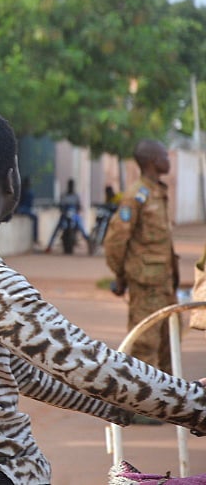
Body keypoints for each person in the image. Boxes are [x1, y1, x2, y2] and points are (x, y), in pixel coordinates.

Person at [0, 105, 206, 485]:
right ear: (11, 180)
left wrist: (119, 407)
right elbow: (87, 362)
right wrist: (197, 406)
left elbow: (19, 371)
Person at [103, 139, 178, 378]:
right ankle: (144, 406)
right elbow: (116, 240)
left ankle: (169, 399)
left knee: (168, 341)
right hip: (145, 284)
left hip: (164, 282)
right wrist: (120, 274)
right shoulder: (136, 196)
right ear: (153, 161)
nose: (168, 160)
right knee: (145, 344)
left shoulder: (158, 192)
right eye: (165, 155)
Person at [44, 177, 89, 253]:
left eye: (72, 185)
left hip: (74, 216)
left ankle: (89, 244)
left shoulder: (76, 196)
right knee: (57, 228)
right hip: (65, 215)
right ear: (68, 185)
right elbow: (60, 206)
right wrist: (63, 210)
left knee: (81, 227)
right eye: (70, 185)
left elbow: (79, 206)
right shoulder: (64, 195)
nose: (71, 186)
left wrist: (78, 210)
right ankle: (49, 246)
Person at [15, 175, 38, 245]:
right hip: (23, 209)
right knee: (35, 217)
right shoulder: (25, 191)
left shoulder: (24, 191)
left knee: (35, 216)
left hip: (23, 209)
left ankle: (35, 238)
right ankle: (35, 238)